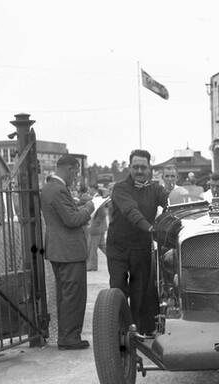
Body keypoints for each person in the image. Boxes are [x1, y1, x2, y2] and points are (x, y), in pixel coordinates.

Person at [40, 155, 108, 350]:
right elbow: (72, 220)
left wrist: (79, 205)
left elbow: (63, 214)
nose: (76, 177)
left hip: (58, 250)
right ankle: (70, 338)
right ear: (69, 169)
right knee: (73, 297)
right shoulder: (59, 190)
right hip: (69, 252)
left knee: (65, 295)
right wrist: (89, 207)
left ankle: (66, 335)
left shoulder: (50, 188)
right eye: (76, 172)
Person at [106, 150, 170, 335]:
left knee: (139, 292)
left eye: (143, 167)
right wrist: (150, 228)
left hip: (141, 248)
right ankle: (118, 331)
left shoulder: (156, 189)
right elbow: (130, 211)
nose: (139, 171)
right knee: (118, 289)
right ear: (129, 168)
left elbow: (169, 204)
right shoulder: (120, 187)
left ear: (149, 168)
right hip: (118, 248)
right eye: (135, 167)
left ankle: (138, 333)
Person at [85, 188, 110, 272]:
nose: (88, 191)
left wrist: (94, 224)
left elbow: (102, 213)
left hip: (96, 228)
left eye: (90, 189)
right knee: (102, 245)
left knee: (92, 247)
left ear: (93, 189)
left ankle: (91, 265)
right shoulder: (97, 198)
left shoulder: (97, 199)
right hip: (99, 227)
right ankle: (116, 257)